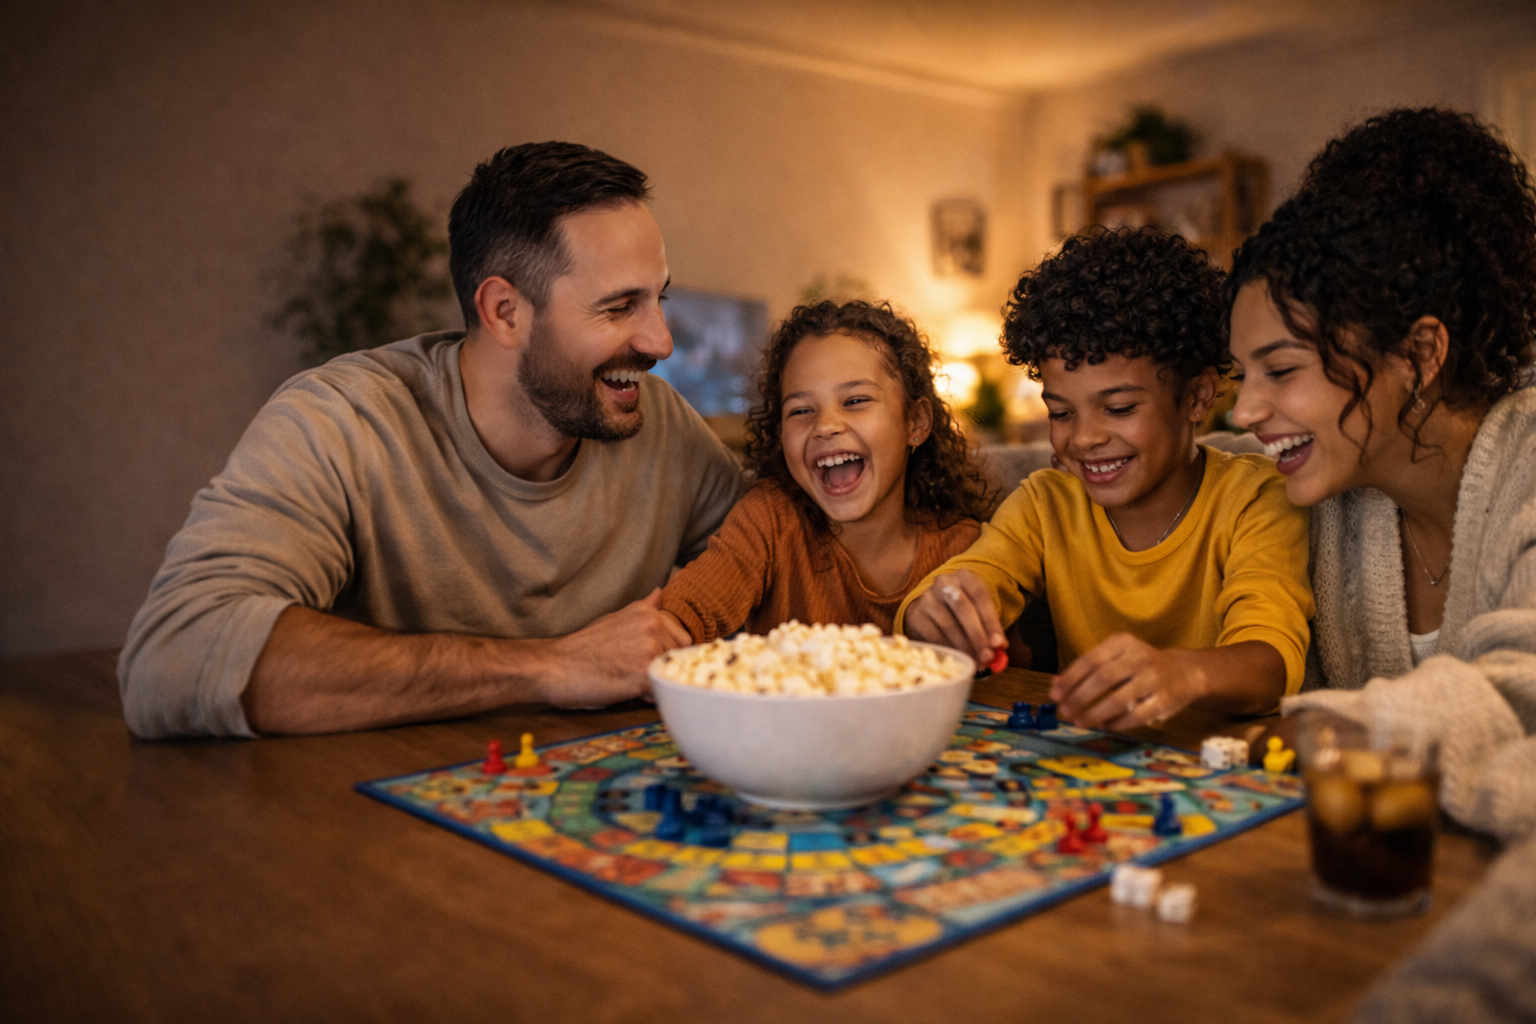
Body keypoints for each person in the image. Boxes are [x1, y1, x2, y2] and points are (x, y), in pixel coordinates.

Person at [118, 142, 743, 739]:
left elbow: (785, 550)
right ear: (504, 312)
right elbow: (172, 659)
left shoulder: (660, 425)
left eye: (657, 300)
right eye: (618, 308)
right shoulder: (343, 421)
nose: (661, 343)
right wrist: (551, 667)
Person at [1225, 106, 1536, 1024]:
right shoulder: (1324, 489)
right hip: (1357, 915)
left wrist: (1348, 731)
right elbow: (1161, 469)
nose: (1248, 410)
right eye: (1239, 375)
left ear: (1423, 353)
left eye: (1279, 371)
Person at [899, 228, 1314, 728]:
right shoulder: (1046, 504)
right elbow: (970, 580)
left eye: (1118, 408)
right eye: (1061, 412)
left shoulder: (1256, 497)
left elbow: (1269, 663)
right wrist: (934, 611)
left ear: (1199, 397)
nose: (1085, 438)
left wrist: (1179, 673)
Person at [659, 300, 991, 640]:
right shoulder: (771, 522)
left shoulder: (966, 547)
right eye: (801, 410)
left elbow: (1003, 672)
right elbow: (683, 616)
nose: (826, 425)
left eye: (855, 401)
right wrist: (667, 629)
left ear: (915, 422)